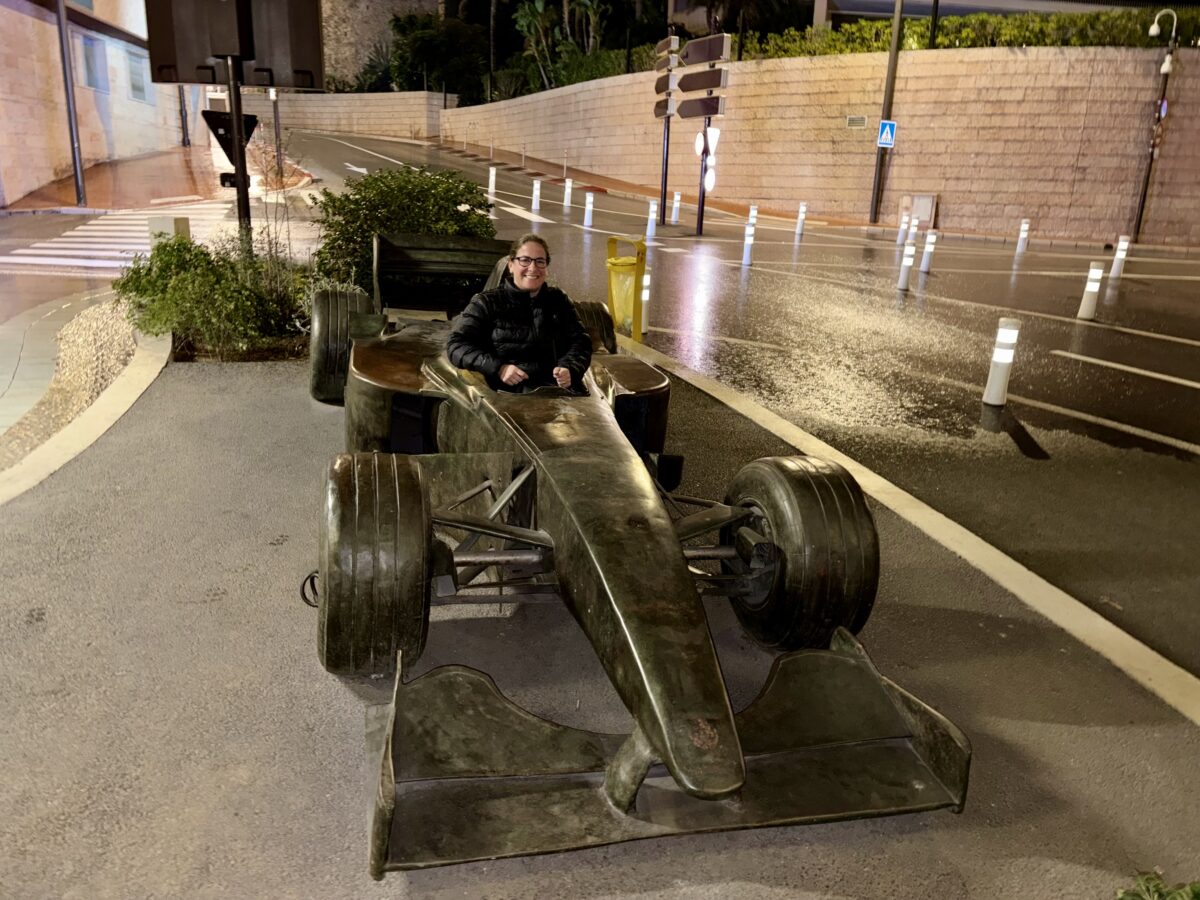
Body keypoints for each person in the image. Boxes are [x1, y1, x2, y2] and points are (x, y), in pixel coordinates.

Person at [447, 234, 592, 393]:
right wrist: (499, 368)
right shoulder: (486, 302)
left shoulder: (558, 300)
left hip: (559, 391)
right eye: (525, 260)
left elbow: (581, 340)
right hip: (508, 395)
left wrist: (570, 367)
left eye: (540, 261)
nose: (533, 267)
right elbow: (457, 345)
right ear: (511, 265)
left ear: (546, 268)